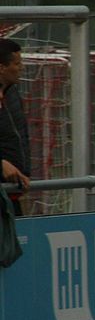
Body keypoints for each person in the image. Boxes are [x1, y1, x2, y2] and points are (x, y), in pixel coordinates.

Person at [0, 39, 30, 215]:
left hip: (11, 192)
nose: (21, 68)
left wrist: (23, 172)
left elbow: (20, 137)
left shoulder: (12, 94)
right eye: (17, 64)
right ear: (2, 68)